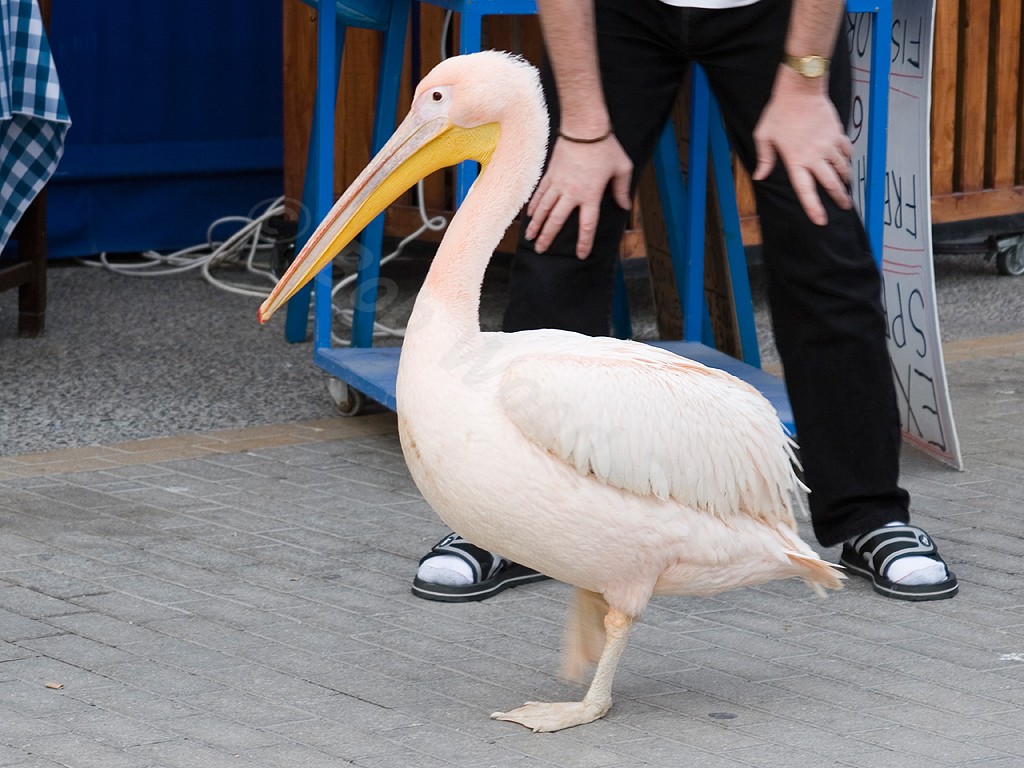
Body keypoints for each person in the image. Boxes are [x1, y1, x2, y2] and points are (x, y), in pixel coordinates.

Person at [411, 0, 958, 603]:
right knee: (565, 221)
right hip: (620, 17)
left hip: (775, 16)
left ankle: (868, 514)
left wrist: (803, 87)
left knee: (819, 237)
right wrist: (585, 127)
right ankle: (506, 526)